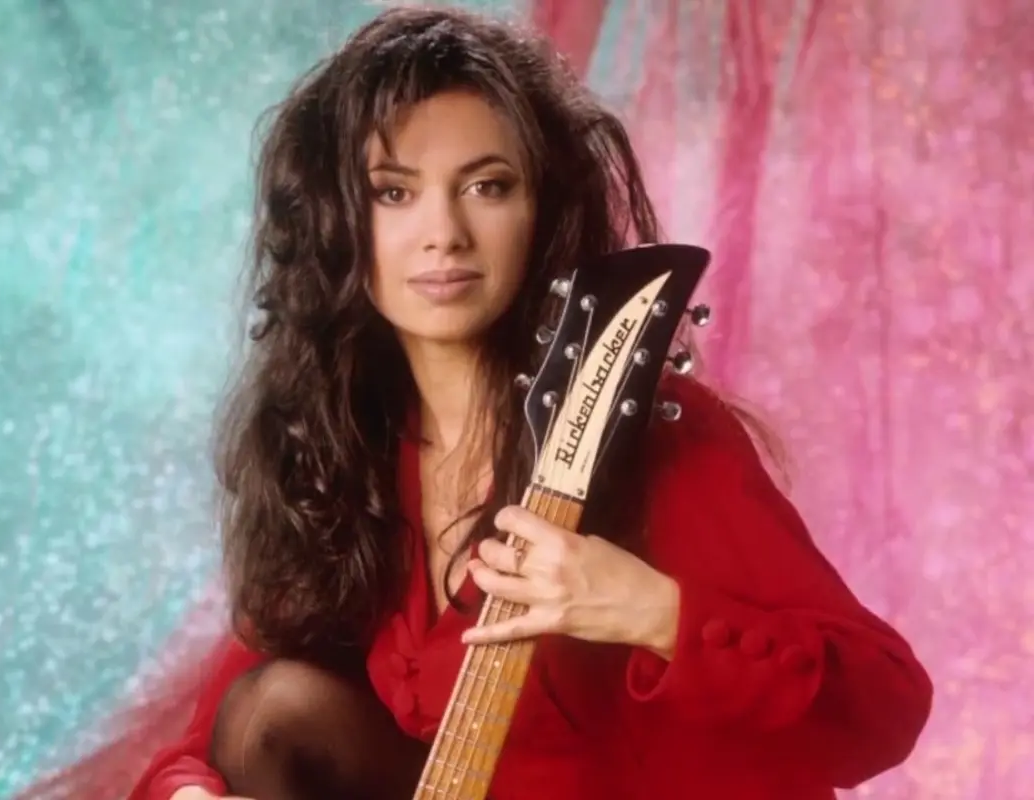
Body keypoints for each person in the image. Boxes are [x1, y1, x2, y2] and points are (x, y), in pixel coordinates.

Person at [132, 7, 932, 800]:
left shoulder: (653, 435)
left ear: (540, 209)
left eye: (487, 185)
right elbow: (205, 740)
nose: (444, 232)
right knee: (273, 709)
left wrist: (653, 611)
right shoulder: (351, 449)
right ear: (336, 226)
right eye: (393, 193)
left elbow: (887, 707)